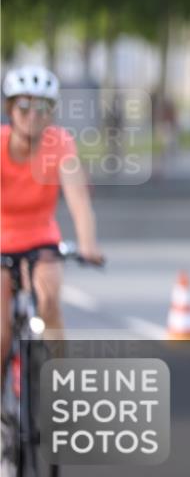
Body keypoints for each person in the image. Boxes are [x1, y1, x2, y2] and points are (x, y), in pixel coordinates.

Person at [1, 65, 105, 361]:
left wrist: (88, 244)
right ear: (10, 109)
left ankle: (60, 382)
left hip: (40, 237)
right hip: (1, 238)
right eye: (24, 106)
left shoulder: (58, 143)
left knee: (48, 302)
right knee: (1, 333)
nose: (33, 115)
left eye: (42, 107)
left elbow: (78, 200)